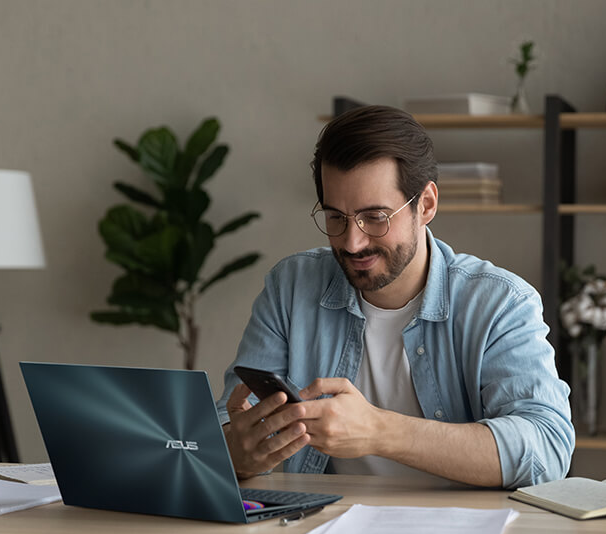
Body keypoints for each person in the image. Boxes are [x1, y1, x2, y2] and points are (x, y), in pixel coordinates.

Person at [216, 105, 574, 489]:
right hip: (321, 532)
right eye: (336, 217)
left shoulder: (499, 302)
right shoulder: (291, 286)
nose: (352, 242)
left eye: (376, 217)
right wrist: (239, 453)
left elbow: (546, 450)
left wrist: (379, 431)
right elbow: (224, 430)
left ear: (427, 205)